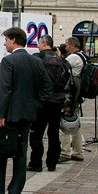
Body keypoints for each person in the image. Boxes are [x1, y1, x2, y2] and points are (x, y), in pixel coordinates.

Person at [0, 27, 51, 194]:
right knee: (20, 152)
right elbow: (47, 87)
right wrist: (34, 105)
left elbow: (5, 90)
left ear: (13, 40)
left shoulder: (9, 61)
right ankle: (15, 191)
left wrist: (1, 115)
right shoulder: (36, 61)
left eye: (5, 40)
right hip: (26, 115)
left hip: (8, 116)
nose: (4, 43)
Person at [30, 35, 70, 172]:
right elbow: (69, 81)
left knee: (36, 133)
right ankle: (52, 162)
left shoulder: (37, 59)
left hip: (42, 101)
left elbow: (34, 80)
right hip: (57, 101)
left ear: (44, 43)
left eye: (39, 43)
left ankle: (36, 162)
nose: (38, 45)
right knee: (54, 133)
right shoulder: (62, 61)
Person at [59, 37, 85, 163]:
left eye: (66, 45)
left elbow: (61, 67)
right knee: (75, 122)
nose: (65, 47)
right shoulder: (83, 56)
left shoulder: (74, 57)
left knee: (64, 121)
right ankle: (78, 151)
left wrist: (59, 56)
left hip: (70, 93)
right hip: (77, 92)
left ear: (72, 45)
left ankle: (64, 152)